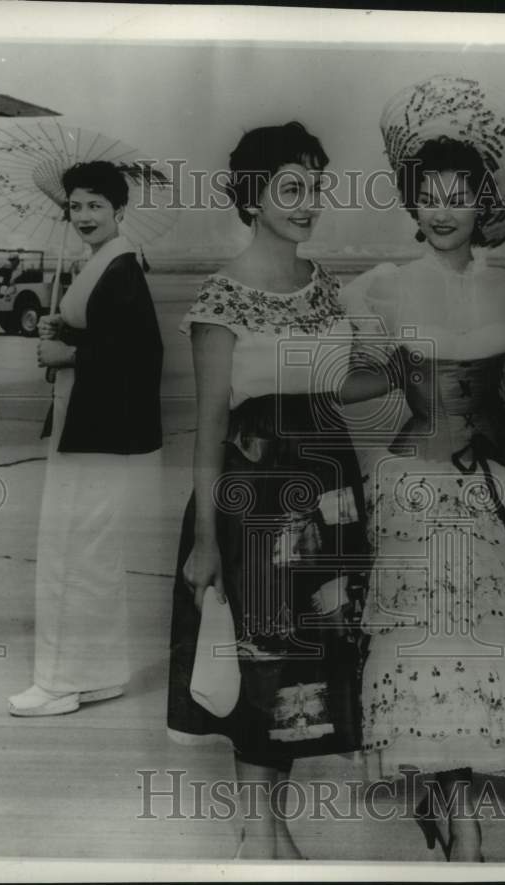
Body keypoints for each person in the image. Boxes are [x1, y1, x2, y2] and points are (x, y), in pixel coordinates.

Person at [347, 75, 505, 863]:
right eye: (428, 194)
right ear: (410, 199)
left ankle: (463, 821)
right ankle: (453, 815)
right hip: (413, 490)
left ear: (481, 201)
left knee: (481, 657)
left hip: (492, 490)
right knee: (423, 655)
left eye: (458, 195)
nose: (442, 209)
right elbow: (350, 380)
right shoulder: (381, 288)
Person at [167, 122, 369, 860]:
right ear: (254, 196)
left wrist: (421, 371)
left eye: (316, 187)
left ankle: (270, 830)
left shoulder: (323, 284)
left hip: (328, 497)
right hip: (254, 504)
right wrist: (204, 541)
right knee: (260, 661)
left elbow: (338, 384)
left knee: (302, 669)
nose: (308, 201)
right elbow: (210, 423)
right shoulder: (223, 295)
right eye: (291, 188)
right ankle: (258, 835)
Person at [8, 160, 163, 716]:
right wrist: (64, 332)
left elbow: (143, 356)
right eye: (75, 206)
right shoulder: (101, 263)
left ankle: (61, 682)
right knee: (89, 555)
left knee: (71, 554)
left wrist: (69, 352)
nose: (84, 216)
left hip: (98, 436)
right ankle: (99, 674)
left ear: (120, 211)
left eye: (96, 205)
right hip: (90, 430)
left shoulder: (121, 267)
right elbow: (110, 335)